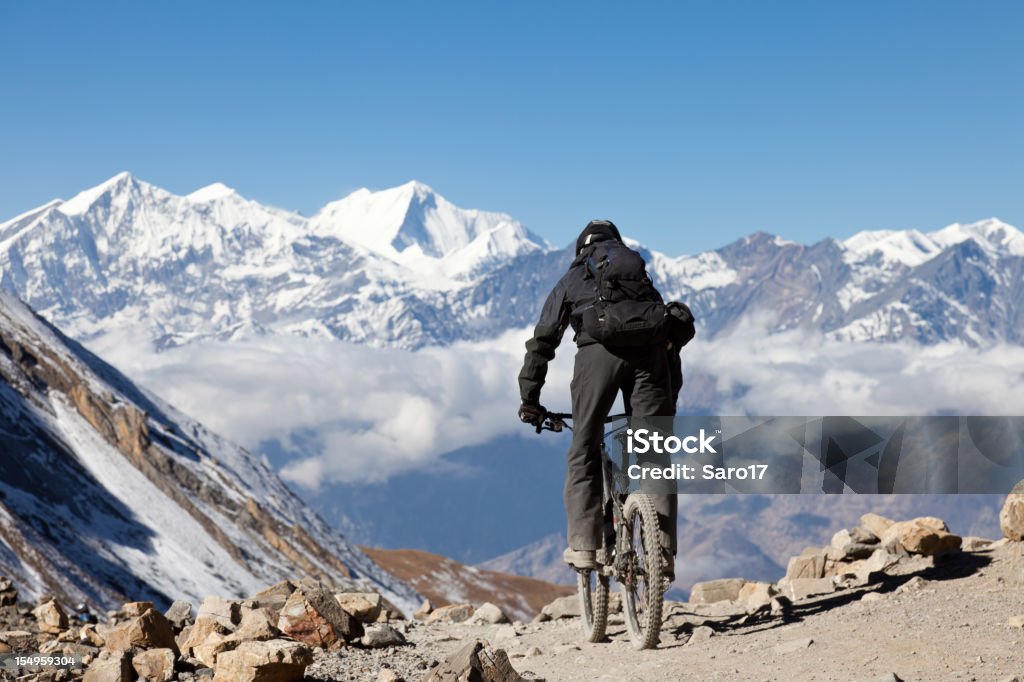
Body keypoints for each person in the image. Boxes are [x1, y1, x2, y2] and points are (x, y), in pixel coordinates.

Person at [517, 219, 678, 580]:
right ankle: (663, 552)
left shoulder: (573, 278)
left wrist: (530, 398)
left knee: (584, 447)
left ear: (581, 249)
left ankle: (585, 546)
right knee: (654, 452)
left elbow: (543, 342)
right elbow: (666, 332)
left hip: (597, 359)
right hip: (650, 362)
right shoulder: (639, 278)